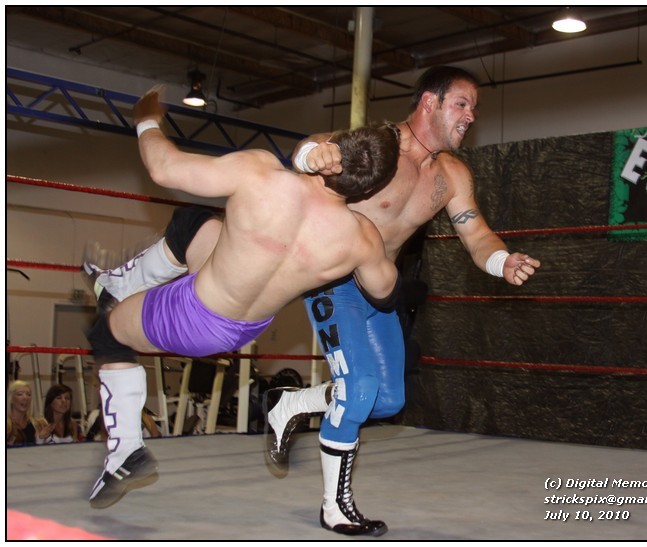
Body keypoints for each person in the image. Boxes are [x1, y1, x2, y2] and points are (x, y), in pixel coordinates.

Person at [87, 66, 540, 536]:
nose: (471, 115)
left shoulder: (452, 175)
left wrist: (501, 261)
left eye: (475, 108)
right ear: (430, 102)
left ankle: (290, 403)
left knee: (387, 400)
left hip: (368, 280)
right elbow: (312, 149)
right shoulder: (376, 146)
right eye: (462, 104)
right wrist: (309, 155)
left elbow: (475, 232)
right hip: (334, 276)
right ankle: (334, 507)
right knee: (359, 389)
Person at [82, 86, 401, 510]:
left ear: (331, 149)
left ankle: (125, 452)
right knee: (193, 222)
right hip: (244, 327)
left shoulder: (261, 172)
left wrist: (146, 121)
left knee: (106, 335)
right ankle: (120, 284)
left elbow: (163, 169)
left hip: (194, 316)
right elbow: (383, 290)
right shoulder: (360, 237)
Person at [6, 379, 36, 446]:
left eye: (28, 394)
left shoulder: (33, 425)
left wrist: (41, 438)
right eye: (20, 394)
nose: (25, 398)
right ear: (11, 399)